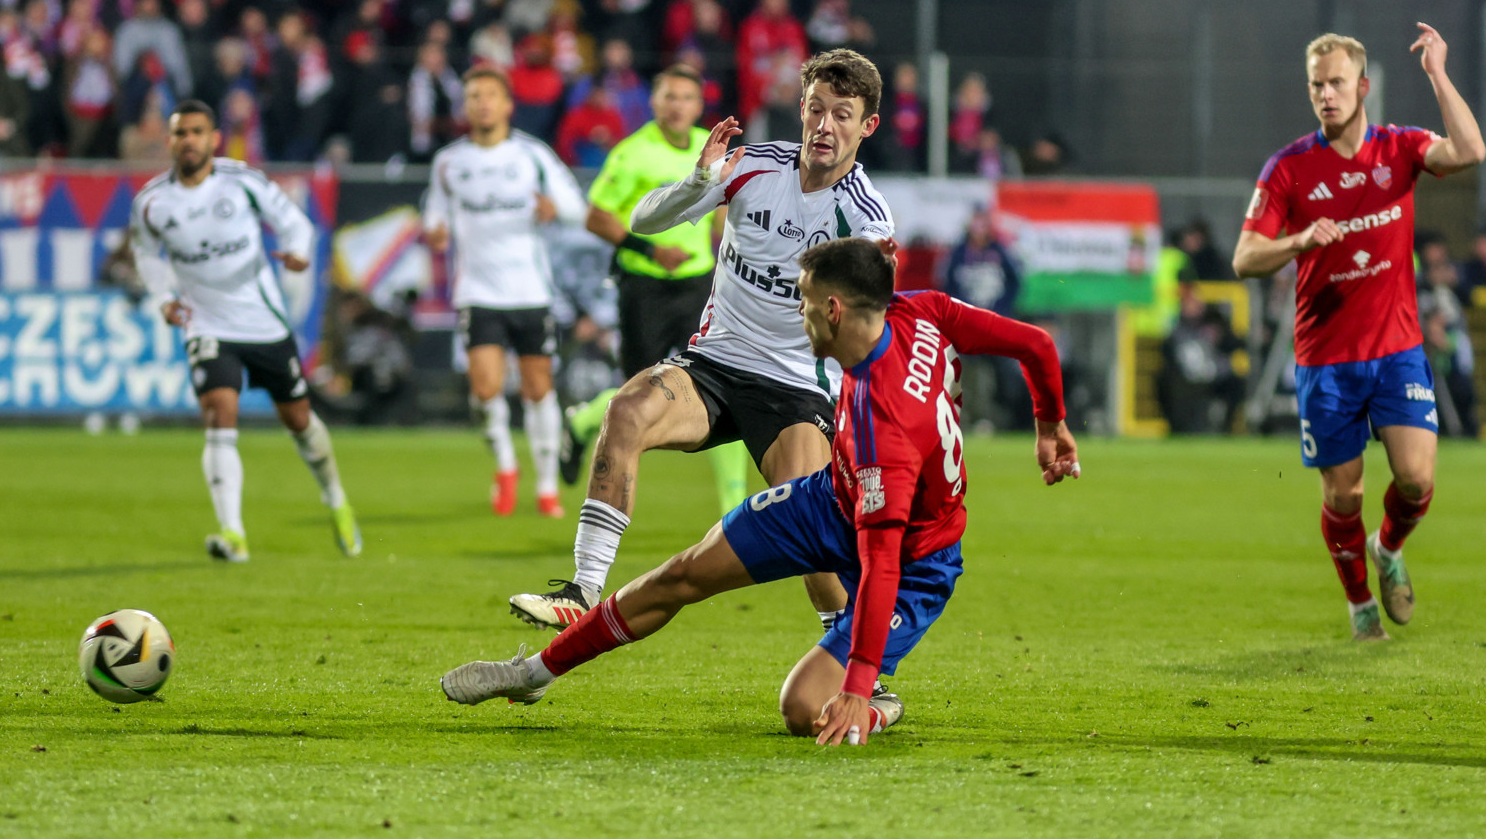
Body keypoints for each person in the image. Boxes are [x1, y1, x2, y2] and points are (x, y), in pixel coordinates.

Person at [443, 237, 1079, 743]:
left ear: (833, 310)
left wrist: (858, 685)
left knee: (804, 708)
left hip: (915, 561)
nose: (796, 316)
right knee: (683, 574)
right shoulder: (922, 309)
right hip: (832, 499)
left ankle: (877, 703)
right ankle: (532, 674)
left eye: (802, 302)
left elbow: (881, 562)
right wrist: (1051, 423)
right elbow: (1036, 343)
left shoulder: (885, 426)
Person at [509, 49, 895, 634]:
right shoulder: (753, 166)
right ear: (800, 109)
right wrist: (697, 179)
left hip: (796, 389)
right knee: (627, 409)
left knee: (813, 533)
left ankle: (861, 670)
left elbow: (874, 322)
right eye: (817, 109)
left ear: (867, 126)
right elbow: (642, 220)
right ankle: (583, 592)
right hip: (714, 364)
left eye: (843, 115)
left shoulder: (865, 217)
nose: (825, 126)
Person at [1232, 26, 1486, 640]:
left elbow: (1471, 151)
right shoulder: (1289, 169)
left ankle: (1389, 547)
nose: (1326, 95)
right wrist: (1294, 241)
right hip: (1327, 361)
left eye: (1337, 82)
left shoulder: (1398, 148)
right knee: (1344, 495)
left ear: (1363, 86)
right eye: (1317, 85)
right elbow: (1244, 258)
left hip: (1397, 351)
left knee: (1417, 478)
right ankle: (1359, 603)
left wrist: (1438, 73)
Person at [128, 100, 361, 563]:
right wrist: (163, 297)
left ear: (214, 138)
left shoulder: (243, 182)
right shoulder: (152, 203)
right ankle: (232, 533)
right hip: (206, 322)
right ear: (170, 141)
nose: (189, 140)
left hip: (263, 322)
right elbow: (147, 255)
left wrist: (296, 251)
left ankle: (335, 497)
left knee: (298, 420)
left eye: (197, 132)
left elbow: (294, 222)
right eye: (180, 133)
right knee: (219, 414)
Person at [555, 63, 752, 516]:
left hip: (698, 285)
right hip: (643, 286)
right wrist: (650, 252)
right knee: (636, 392)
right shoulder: (632, 152)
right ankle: (583, 424)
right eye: (669, 96)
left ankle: (734, 510)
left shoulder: (712, 147)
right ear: (654, 102)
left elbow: (721, 211)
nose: (677, 105)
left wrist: (727, 251)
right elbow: (596, 216)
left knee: (723, 384)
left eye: (686, 97)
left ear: (698, 105)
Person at [422, 67, 586, 517]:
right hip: (476, 290)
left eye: (490, 95)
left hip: (530, 290)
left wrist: (556, 210)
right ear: (466, 105)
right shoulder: (449, 162)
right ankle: (506, 466)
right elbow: (433, 214)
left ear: (507, 105)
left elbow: (575, 207)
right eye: (473, 95)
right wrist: (434, 232)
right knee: (484, 388)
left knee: (538, 388)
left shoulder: (532, 156)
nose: (482, 103)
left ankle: (548, 488)